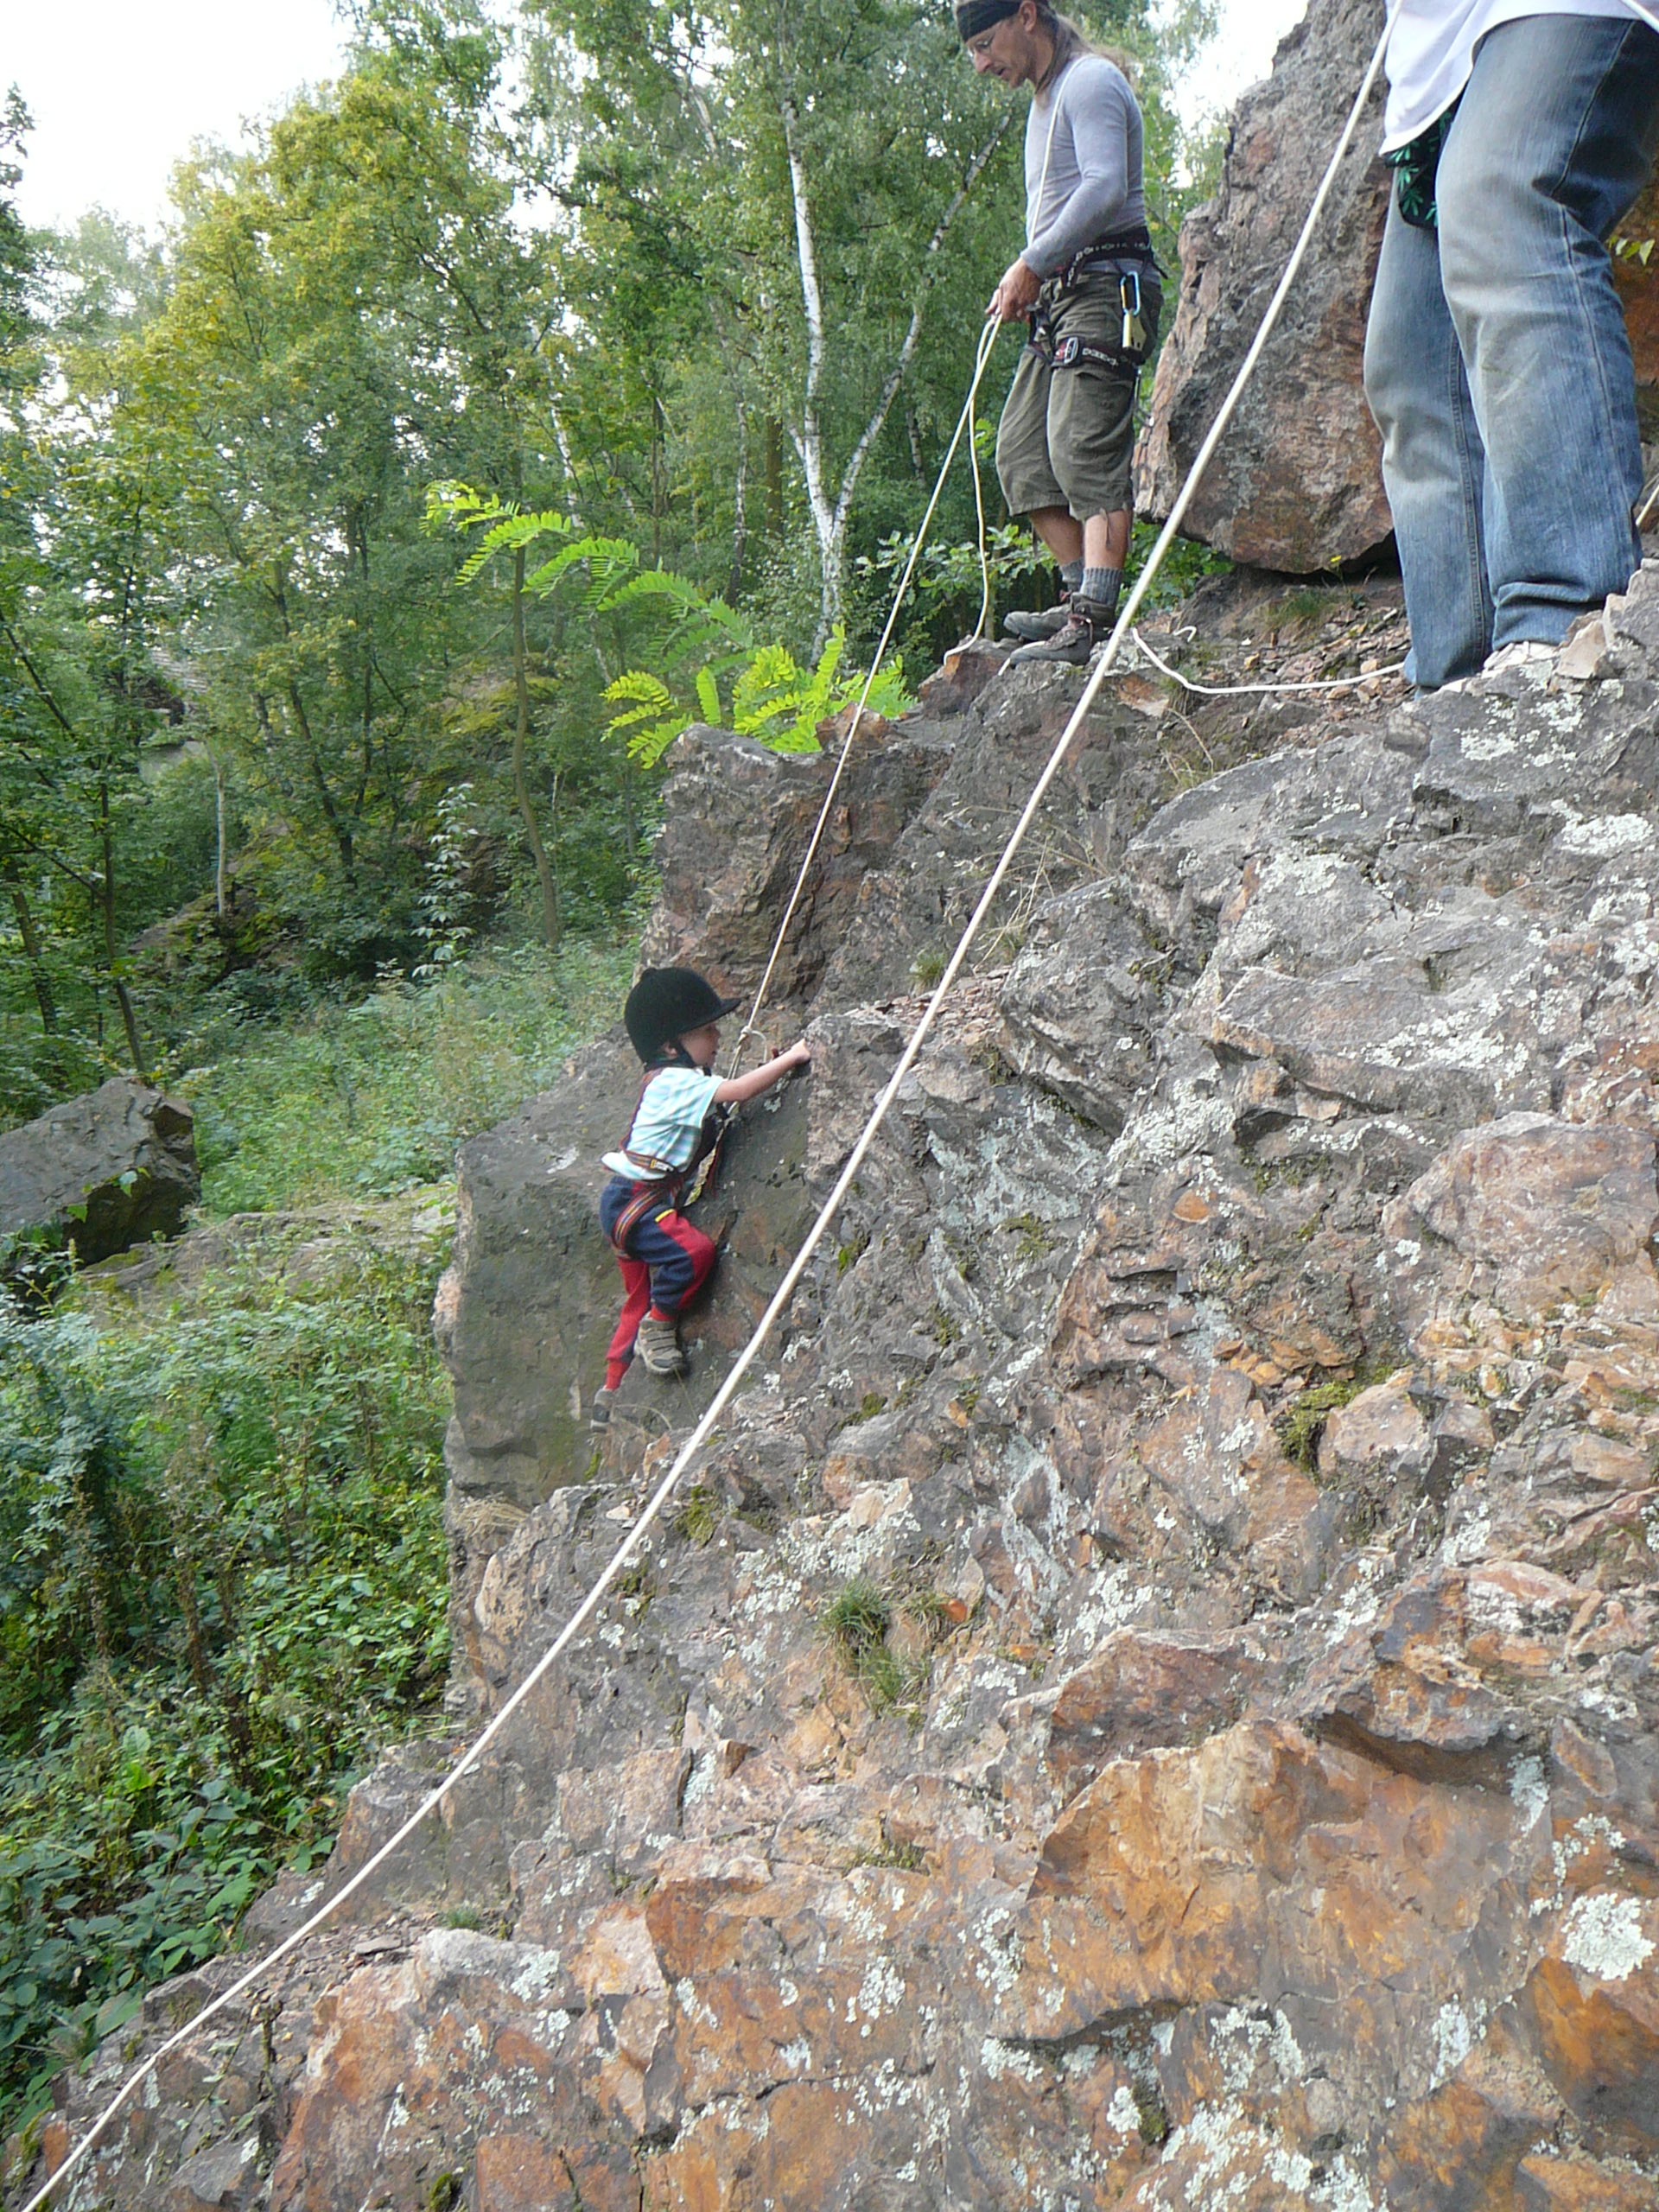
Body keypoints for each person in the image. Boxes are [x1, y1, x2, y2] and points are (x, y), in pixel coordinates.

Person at [1363, 2, 1659, 692]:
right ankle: (1456, 686)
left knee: (1501, 200)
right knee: (1411, 361)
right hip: (1437, 65)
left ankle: (1563, 630)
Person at [957, 0, 1162, 666]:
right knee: (1021, 453)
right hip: (1063, 295)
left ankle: (1094, 619)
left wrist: (1032, 263)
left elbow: (1105, 188)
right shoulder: (1045, 100)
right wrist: (1035, 279)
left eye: (985, 44)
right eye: (973, 52)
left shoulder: (1090, 81)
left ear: (1026, 15)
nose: (981, 64)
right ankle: (1079, 594)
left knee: (1082, 447)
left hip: (1108, 287)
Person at [592, 966, 810, 1430]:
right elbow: (738, 1091)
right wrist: (792, 1058)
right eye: (707, 1030)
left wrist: (773, 1067)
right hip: (638, 1202)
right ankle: (660, 1325)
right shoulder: (675, 1083)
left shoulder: (676, 1080)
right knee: (692, 1253)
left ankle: (612, 1388)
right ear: (672, 1047)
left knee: (636, 1295)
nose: (718, 1037)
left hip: (630, 1201)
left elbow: (726, 1101)